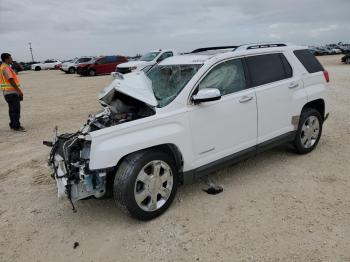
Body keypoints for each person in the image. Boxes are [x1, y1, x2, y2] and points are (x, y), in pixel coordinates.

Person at [0, 53, 25, 131]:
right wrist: (19, 91)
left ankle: (12, 124)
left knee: (12, 109)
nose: (12, 59)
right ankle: (16, 126)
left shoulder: (2, 67)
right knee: (15, 110)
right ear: (6, 59)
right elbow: (11, 79)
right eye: (10, 58)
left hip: (7, 92)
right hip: (11, 92)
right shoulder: (6, 67)